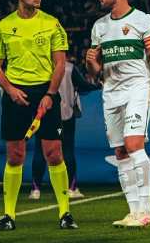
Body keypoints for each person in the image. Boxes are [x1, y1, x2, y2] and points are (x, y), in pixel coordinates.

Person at [0, 0, 76, 231]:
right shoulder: (4, 26)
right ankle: (8, 216)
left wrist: (50, 94)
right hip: (15, 94)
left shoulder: (52, 24)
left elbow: (60, 64)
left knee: (54, 154)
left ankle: (65, 213)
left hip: (45, 92)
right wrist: (9, 90)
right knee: (15, 156)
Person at [87, 0, 150, 227]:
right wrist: (91, 63)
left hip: (138, 89)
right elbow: (95, 72)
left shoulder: (142, 20)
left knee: (134, 144)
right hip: (111, 92)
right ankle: (133, 211)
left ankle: (145, 211)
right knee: (121, 151)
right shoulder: (99, 27)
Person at [28, 58, 98, 200]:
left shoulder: (39, 65)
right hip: (65, 115)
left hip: (43, 114)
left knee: (40, 150)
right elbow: (84, 86)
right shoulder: (69, 67)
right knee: (67, 150)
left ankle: (36, 189)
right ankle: (71, 188)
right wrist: (98, 85)